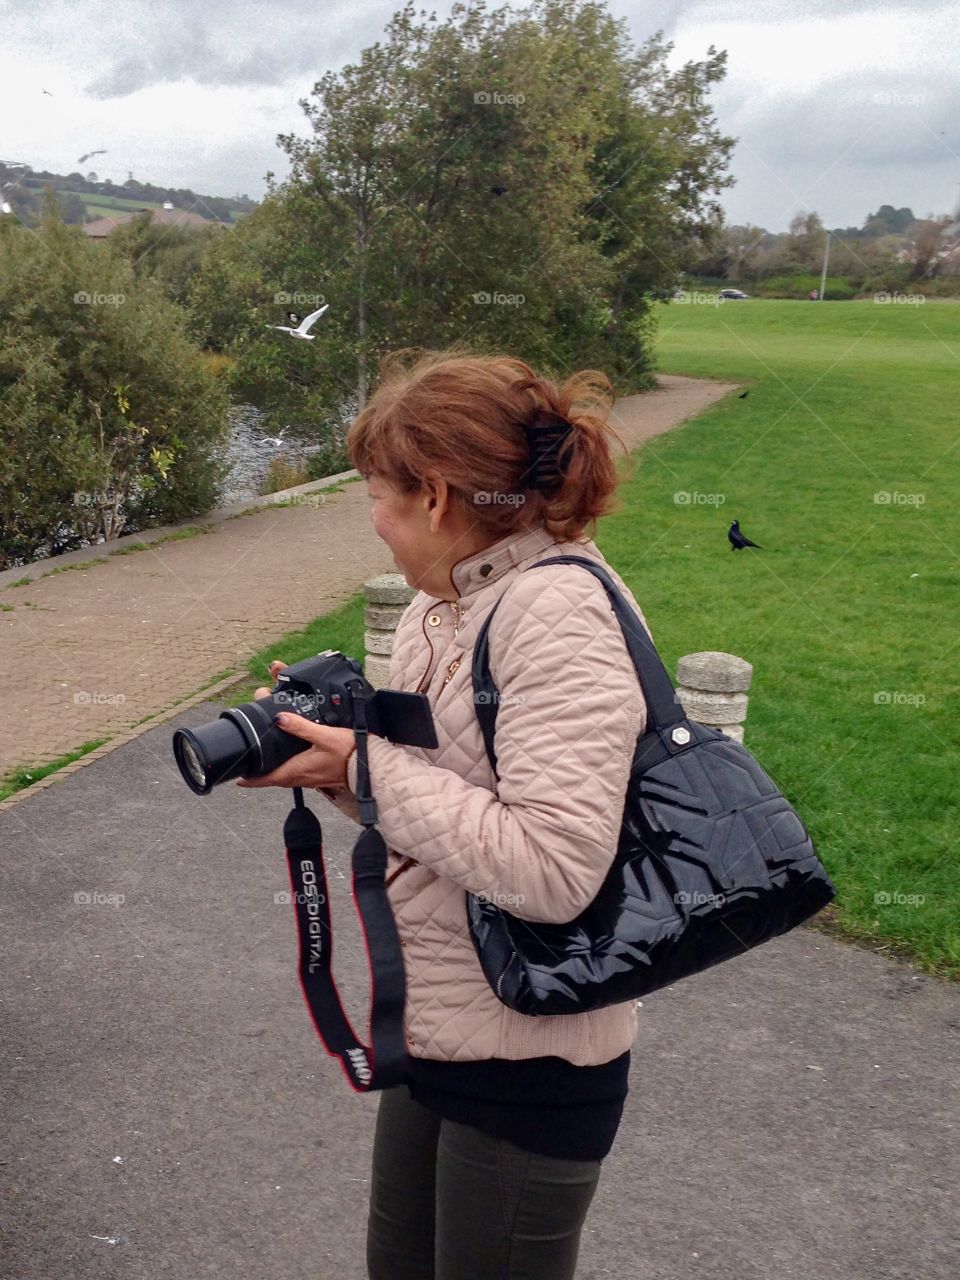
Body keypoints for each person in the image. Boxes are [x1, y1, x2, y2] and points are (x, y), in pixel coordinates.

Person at [241, 348, 651, 1279]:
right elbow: (453, 804)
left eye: (375, 496)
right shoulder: (457, 604)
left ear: (434, 495)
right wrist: (342, 769)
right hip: (448, 1026)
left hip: (534, 1061)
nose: (374, 525)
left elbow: (553, 868)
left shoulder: (556, 614)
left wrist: (375, 770)